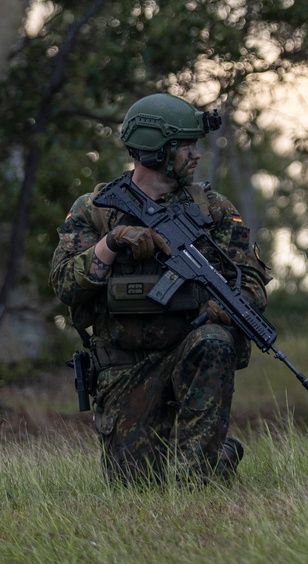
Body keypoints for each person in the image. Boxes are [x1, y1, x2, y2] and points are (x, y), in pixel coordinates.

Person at [50, 93, 268, 484]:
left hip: (189, 354)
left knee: (215, 340)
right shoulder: (95, 209)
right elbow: (65, 286)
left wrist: (228, 305)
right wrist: (111, 243)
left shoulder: (212, 208)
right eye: (187, 146)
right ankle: (214, 452)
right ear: (156, 150)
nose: (196, 155)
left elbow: (250, 282)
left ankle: (196, 476)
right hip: (123, 366)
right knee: (137, 485)